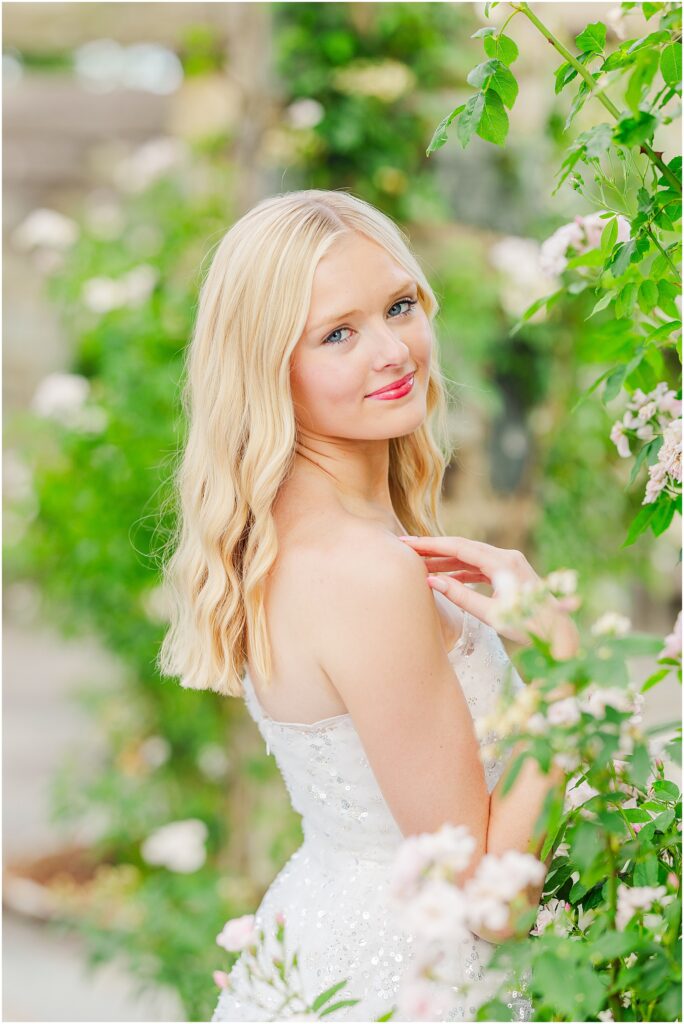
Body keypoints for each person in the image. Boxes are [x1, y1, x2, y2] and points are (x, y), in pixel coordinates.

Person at [158, 189, 577, 1021]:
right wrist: (566, 681)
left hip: (333, 934)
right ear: (267, 365)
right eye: (338, 334)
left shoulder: (297, 535)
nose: (393, 350)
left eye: (398, 306)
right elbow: (490, 907)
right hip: (407, 978)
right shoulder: (360, 571)